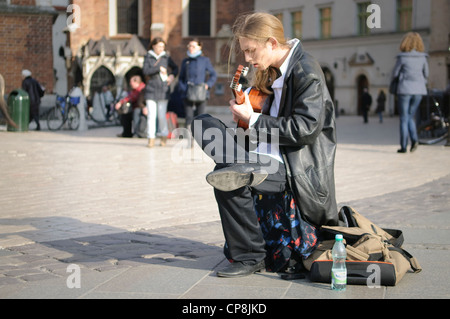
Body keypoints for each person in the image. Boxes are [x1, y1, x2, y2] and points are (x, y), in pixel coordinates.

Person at [191, 12, 338, 277]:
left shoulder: (306, 71)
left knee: (229, 178)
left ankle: (250, 256)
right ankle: (238, 166)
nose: (247, 58)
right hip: (260, 155)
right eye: (244, 51)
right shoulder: (270, 71)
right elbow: (259, 123)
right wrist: (246, 112)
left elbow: (305, 129)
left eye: (251, 50)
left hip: (293, 168)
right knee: (203, 123)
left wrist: (254, 119)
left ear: (271, 43)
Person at [391, 32, 429, 153]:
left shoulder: (402, 57)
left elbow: (395, 74)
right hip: (419, 91)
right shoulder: (423, 57)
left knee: (403, 118)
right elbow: (426, 74)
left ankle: (403, 146)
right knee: (410, 116)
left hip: (405, 89)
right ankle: (414, 140)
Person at [143, 37, 178, 147]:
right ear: (153, 46)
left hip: (163, 89)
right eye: (159, 46)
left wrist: (172, 76)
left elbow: (175, 68)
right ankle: (151, 138)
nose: (161, 49)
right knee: (151, 115)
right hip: (151, 89)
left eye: (162, 46)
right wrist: (158, 68)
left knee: (162, 115)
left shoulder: (166, 57)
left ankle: (164, 136)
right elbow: (145, 71)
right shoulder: (148, 56)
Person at [178, 39, 217, 133]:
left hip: (201, 92)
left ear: (199, 47)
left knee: (201, 116)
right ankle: (189, 136)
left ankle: (199, 136)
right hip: (188, 92)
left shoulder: (205, 60)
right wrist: (184, 89)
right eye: (189, 46)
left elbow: (213, 74)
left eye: (193, 46)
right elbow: (181, 77)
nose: (191, 48)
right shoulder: (186, 61)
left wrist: (208, 85)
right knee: (188, 116)